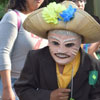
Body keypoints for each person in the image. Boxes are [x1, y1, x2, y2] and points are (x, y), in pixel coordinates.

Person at [14, 1, 100, 100]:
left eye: (69, 44)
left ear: (80, 42)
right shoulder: (36, 58)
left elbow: (96, 95)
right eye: (55, 43)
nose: (61, 50)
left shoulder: (92, 65)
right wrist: (48, 96)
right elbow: (22, 89)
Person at [0, 0, 49, 100]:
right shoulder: (12, 17)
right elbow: (3, 52)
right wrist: (6, 88)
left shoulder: (43, 20)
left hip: (36, 88)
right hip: (14, 86)